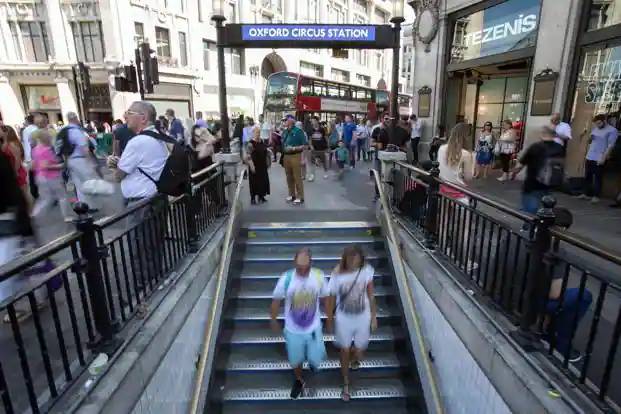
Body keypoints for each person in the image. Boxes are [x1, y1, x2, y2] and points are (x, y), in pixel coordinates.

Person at [107, 101, 169, 285]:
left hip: (141, 203)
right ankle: (155, 281)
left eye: (129, 112)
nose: (125, 116)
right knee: (154, 245)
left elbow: (118, 176)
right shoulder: (158, 136)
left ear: (142, 118)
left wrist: (112, 166)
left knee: (140, 248)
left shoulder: (138, 142)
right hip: (156, 198)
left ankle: (145, 287)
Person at [270, 248, 328, 399]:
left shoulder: (318, 276)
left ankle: (313, 360)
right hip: (293, 329)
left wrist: (330, 317)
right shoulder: (286, 278)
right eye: (299, 268)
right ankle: (299, 380)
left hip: (313, 327)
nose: (302, 271)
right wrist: (273, 319)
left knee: (316, 357)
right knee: (295, 359)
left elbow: (325, 298)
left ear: (311, 264)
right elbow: (276, 300)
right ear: (294, 263)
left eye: (306, 268)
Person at [325, 245, 376, 402]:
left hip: (362, 317)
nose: (353, 260)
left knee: (359, 351)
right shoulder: (337, 274)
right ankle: (346, 382)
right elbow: (331, 297)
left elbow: (371, 295)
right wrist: (329, 318)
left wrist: (374, 316)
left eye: (356, 257)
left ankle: (355, 355)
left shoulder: (366, 271)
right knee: (344, 351)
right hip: (344, 318)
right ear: (345, 258)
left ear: (361, 258)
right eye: (350, 257)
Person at [511, 126, 565, 216]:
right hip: (550, 185)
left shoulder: (535, 147)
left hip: (533, 185)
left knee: (530, 211)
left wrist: (514, 173)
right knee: (545, 209)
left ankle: (528, 228)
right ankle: (541, 227)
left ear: (542, 134)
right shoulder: (559, 148)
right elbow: (562, 165)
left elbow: (521, 164)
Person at [61, 112, 100, 211]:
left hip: (70, 160)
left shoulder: (64, 131)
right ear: (75, 118)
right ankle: (90, 206)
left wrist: (66, 162)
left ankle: (83, 206)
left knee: (78, 184)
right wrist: (90, 162)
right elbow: (84, 148)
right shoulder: (76, 131)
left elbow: (61, 148)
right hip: (80, 160)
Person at [31, 129, 72, 221]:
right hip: (52, 177)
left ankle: (35, 215)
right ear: (45, 138)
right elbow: (46, 165)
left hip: (40, 177)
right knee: (62, 197)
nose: (50, 139)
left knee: (45, 199)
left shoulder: (35, 150)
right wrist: (61, 165)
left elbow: (34, 165)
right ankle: (67, 216)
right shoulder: (46, 150)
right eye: (49, 137)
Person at [577, 114, 618, 203]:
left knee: (598, 177)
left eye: (599, 123)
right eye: (596, 124)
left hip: (600, 156)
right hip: (590, 155)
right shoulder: (595, 129)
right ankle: (586, 193)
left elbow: (610, 146)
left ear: (604, 121)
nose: (598, 125)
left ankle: (596, 196)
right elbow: (591, 141)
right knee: (588, 176)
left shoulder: (612, 130)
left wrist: (604, 158)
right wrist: (589, 138)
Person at [1, 125, 30, 210]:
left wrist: (15, 171)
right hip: (13, 171)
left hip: (17, 171)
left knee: (23, 194)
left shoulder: (12, 144)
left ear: (6, 132)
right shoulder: (5, 144)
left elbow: (18, 159)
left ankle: (28, 213)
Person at [281, 115, 306, 204]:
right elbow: (283, 143)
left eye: (285, 120)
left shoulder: (299, 131)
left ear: (291, 120)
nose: (284, 122)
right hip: (286, 156)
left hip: (295, 155)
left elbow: (304, 145)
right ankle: (292, 194)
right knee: (289, 177)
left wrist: (294, 148)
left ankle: (300, 196)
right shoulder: (284, 132)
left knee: (297, 177)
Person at [245, 126, 271, 204]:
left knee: (263, 181)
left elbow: (265, 151)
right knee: (254, 182)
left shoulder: (261, 141)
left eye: (259, 132)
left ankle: (261, 196)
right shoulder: (250, 143)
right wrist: (251, 165)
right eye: (256, 132)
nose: (258, 134)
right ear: (253, 133)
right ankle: (253, 198)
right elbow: (248, 156)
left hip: (262, 165)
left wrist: (268, 160)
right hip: (254, 165)